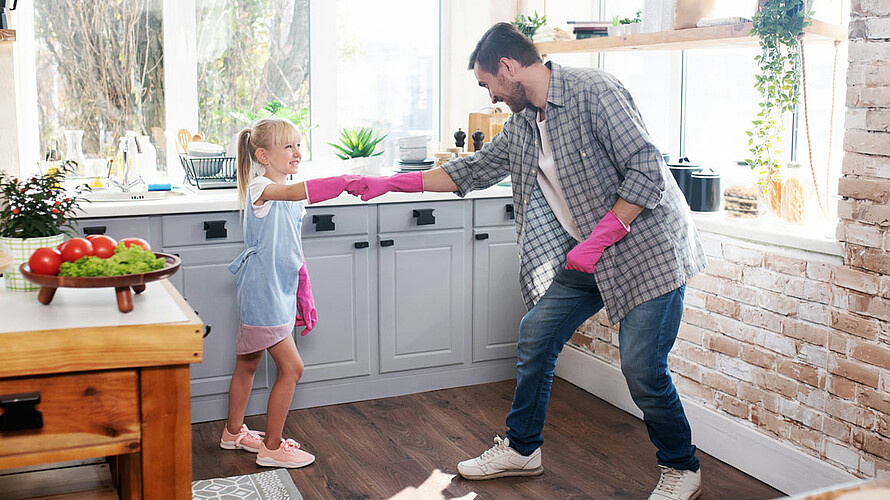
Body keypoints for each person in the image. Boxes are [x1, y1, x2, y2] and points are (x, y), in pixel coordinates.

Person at [347, 23, 707, 500]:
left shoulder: (593, 91)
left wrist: (599, 239)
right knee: (536, 335)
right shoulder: (522, 127)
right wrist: (390, 183)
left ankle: (682, 467)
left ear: (508, 68)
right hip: (590, 257)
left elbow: (646, 169)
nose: (492, 96)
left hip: (646, 253)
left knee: (642, 369)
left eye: (488, 83)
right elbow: (469, 171)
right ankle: (522, 449)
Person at [222, 117, 359, 468]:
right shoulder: (260, 189)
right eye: (289, 146)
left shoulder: (290, 192)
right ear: (264, 155)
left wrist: (301, 292)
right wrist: (341, 181)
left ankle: (233, 432)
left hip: (277, 289)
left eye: (299, 144)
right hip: (263, 292)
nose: (298, 152)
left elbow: (291, 244)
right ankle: (272, 446)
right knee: (293, 368)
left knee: (248, 363)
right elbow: (293, 192)